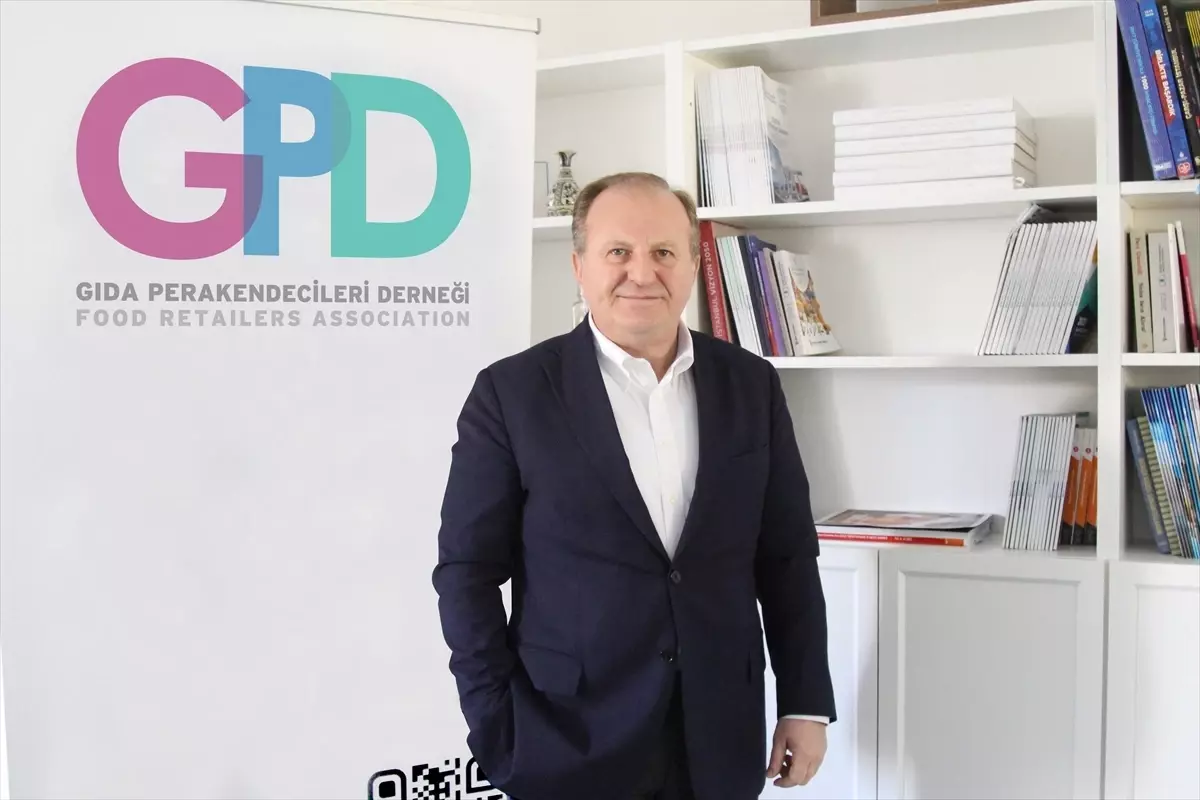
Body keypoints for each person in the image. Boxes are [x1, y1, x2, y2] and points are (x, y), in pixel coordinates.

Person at [432, 172, 835, 800]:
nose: (642, 273)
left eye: (664, 252)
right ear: (579, 266)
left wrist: (805, 702)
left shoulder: (751, 384)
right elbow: (467, 572)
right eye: (618, 251)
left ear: (693, 265)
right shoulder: (511, 394)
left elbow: (786, 556)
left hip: (719, 734)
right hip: (566, 738)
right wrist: (495, 720)